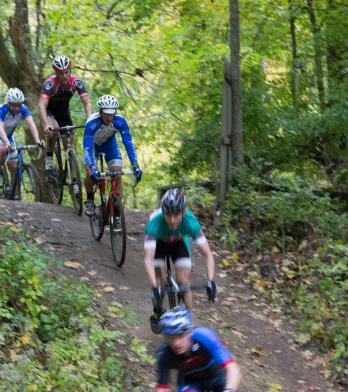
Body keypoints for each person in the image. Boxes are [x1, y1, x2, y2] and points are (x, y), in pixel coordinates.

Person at [145, 188, 216, 332]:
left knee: (184, 282)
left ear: (183, 212)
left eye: (176, 214)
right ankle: (158, 311)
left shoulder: (191, 222)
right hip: (160, 243)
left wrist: (211, 281)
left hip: (179, 243)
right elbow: (148, 259)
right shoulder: (154, 224)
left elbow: (207, 253)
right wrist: (155, 287)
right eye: (168, 215)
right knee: (161, 281)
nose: (172, 220)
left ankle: (190, 325)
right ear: (163, 213)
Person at [156, 307, 242, 392]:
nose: (176, 343)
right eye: (171, 338)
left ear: (190, 332)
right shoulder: (165, 354)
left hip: (216, 374)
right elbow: (162, 388)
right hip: (190, 381)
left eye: (180, 335)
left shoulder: (204, 336)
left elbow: (232, 368)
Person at [82, 94, 142, 216]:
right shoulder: (92, 123)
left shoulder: (120, 121)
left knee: (117, 172)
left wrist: (135, 165)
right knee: (89, 172)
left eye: (112, 113)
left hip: (109, 144)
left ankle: (116, 210)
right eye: (106, 114)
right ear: (100, 112)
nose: (109, 117)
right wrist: (93, 168)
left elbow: (128, 143)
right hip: (93, 146)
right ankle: (89, 199)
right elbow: (87, 148)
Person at [39, 55, 92, 171]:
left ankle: (74, 182)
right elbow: (42, 105)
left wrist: (90, 120)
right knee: (53, 129)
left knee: (69, 146)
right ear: (56, 73)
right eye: (61, 73)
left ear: (70, 70)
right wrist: (45, 124)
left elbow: (87, 103)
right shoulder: (50, 83)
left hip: (63, 113)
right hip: (50, 111)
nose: (64, 76)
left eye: (66, 72)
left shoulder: (76, 82)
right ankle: (48, 157)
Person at [0, 88, 44, 188]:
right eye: (14, 105)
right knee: (2, 149)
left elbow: (31, 124)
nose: (17, 108)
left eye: (19, 105)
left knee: (14, 165)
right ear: (9, 103)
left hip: (8, 136)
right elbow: (0, 127)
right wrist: (6, 142)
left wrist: (37, 140)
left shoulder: (23, 109)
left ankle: (13, 192)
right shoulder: (2, 110)